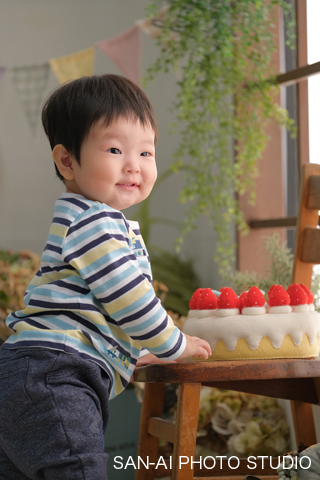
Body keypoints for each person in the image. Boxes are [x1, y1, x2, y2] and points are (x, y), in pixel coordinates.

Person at [0, 74, 211, 480]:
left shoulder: (90, 222)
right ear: (67, 161)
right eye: (115, 149)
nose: (134, 165)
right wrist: (173, 344)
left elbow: (88, 311)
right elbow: (130, 299)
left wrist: (130, 353)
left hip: (33, 371)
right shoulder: (94, 223)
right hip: (56, 376)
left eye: (146, 153)